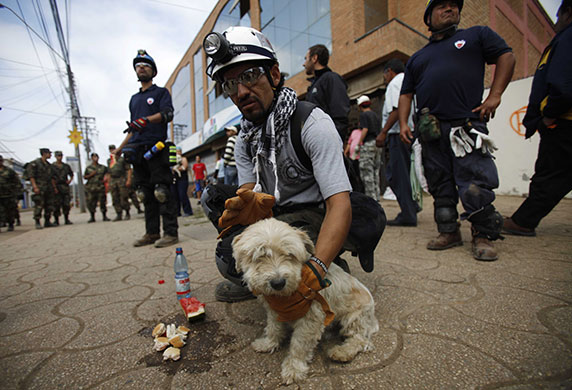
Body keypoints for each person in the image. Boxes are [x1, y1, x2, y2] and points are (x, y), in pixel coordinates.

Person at [200, 26, 374, 303]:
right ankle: (262, 279)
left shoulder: (312, 124)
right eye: (231, 84)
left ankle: (329, 264)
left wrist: (316, 269)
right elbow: (250, 189)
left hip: (316, 214)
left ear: (275, 75)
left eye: (249, 76)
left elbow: (339, 204)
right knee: (227, 255)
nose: (242, 91)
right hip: (277, 215)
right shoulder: (245, 138)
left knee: (307, 265)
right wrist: (247, 206)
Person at [398, 0, 515, 261]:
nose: (450, 9)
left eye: (454, 5)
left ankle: (483, 235)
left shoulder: (476, 35)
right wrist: (404, 123)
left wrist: (495, 95)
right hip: (431, 131)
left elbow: (506, 56)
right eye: (442, 6)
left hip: (466, 125)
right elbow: (406, 94)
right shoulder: (418, 58)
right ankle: (449, 231)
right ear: (428, 17)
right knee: (440, 185)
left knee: (474, 182)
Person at [503, 0, 572, 237]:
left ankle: (523, 221)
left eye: (559, 15)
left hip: (563, 121)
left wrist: (548, 116)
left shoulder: (567, 38)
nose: (556, 21)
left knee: (549, 174)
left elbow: (563, 85)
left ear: (567, 13)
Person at [114, 49, 178, 248]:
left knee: (162, 191)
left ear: (153, 71)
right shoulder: (134, 99)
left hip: (157, 148)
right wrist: (120, 148)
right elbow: (134, 128)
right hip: (137, 150)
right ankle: (151, 233)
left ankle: (170, 233)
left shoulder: (160, 93)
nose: (141, 69)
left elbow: (168, 114)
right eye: (138, 66)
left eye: (145, 66)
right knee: (145, 193)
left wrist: (147, 120)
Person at [377, 59, 418, 227]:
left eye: (384, 75)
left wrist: (383, 132)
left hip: (397, 134)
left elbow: (396, 109)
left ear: (390, 71)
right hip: (407, 131)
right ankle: (411, 206)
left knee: (396, 174)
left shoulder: (395, 83)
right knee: (404, 172)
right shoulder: (407, 81)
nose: (385, 78)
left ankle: (408, 213)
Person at [303, 44, 350, 142]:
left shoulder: (331, 78)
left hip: (328, 143)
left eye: (306, 58)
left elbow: (340, 114)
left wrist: (334, 142)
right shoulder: (314, 84)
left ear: (314, 58)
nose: (304, 64)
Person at [356, 95, 381, 201]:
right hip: (377, 145)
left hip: (368, 145)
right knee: (376, 171)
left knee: (367, 172)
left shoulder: (364, 115)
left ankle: (371, 198)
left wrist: (358, 143)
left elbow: (365, 129)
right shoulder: (375, 115)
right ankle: (377, 195)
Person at [26, 148, 57, 229]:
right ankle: (37, 222)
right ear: (44, 153)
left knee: (49, 205)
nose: (50, 155)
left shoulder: (49, 165)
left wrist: (54, 188)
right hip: (39, 187)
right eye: (49, 153)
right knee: (39, 205)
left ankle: (47, 221)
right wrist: (35, 187)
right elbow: (31, 176)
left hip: (48, 188)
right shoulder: (35, 164)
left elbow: (52, 178)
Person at [107, 145, 132, 221]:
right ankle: (119, 214)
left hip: (121, 179)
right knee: (115, 197)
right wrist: (108, 182)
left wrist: (128, 180)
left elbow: (128, 170)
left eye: (113, 149)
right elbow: (109, 172)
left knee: (123, 196)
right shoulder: (109, 161)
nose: (112, 151)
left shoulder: (122, 159)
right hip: (113, 180)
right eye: (110, 150)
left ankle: (127, 212)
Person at [84, 153, 110, 223]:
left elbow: (108, 173)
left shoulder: (103, 167)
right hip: (91, 187)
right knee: (91, 202)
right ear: (91, 158)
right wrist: (90, 175)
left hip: (100, 187)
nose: (95, 158)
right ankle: (92, 217)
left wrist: (106, 178)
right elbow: (85, 177)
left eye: (96, 157)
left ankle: (104, 216)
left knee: (102, 202)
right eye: (93, 157)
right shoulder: (88, 168)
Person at [52, 151, 74, 225]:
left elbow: (71, 174)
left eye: (60, 156)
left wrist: (70, 180)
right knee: (56, 205)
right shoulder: (52, 166)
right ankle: (56, 220)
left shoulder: (66, 166)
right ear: (55, 157)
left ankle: (66, 219)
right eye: (58, 156)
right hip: (56, 186)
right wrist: (54, 187)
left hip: (64, 186)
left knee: (66, 204)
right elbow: (51, 177)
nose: (59, 157)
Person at [0, 155, 20, 232]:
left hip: (9, 194)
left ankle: (11, 224)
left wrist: (16, 192)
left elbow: (16, 181)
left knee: (9, 210)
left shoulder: (9, 171)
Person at [171, 146, 193, 216]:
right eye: (176, 151)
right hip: (174, 180)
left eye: (178, 151)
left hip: (182, 179)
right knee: (174, 196)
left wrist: (176, 169)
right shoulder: (173, 159)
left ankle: (188, 211)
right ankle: (177, 212)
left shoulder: (183, 158)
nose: (177, 152)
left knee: (182, 195)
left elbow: (185, 167)